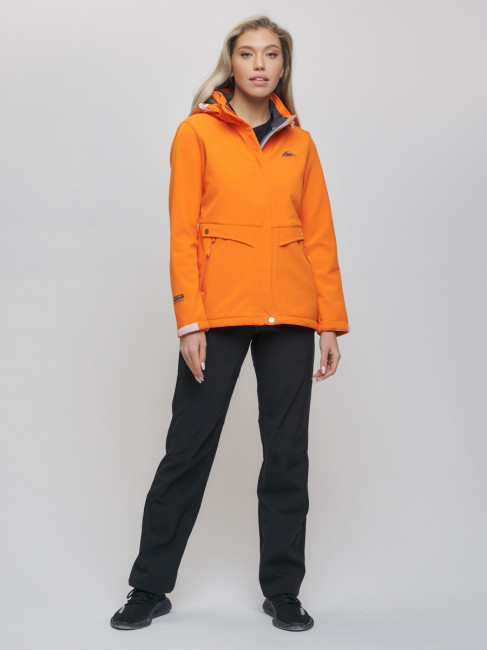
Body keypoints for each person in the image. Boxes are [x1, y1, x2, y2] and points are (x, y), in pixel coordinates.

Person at [110, 14, 350, 633]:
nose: (260, 65)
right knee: (187, 448)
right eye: (248, 54)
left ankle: (283, 592)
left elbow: (319, 237)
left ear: (283, 66)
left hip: (292, 317)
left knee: (287, 456)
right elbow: (183, 232)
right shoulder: (197, 133)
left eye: (271, 55)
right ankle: (148, 587)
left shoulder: (302, 145)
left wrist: (329, 321)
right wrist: (189, 320)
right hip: (216, 315)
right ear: (232, 62)